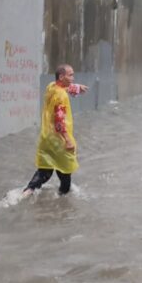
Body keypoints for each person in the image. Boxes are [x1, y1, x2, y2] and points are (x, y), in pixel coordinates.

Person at [22, 64, 87, 196]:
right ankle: (63, 203)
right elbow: (59, 121)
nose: (73, 78)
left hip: (47, 139)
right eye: (71, 75)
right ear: (62, 76)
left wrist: (77, 88)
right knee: (65, 174)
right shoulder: (61, 96)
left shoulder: (50, 87)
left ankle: (26, 193)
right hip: (59, 141)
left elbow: (63, 86)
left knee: (44, 172)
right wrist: (68, 140)